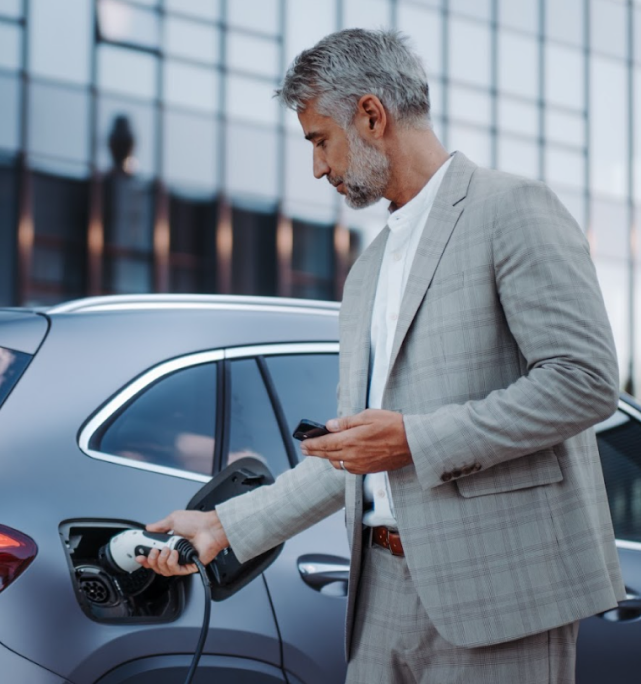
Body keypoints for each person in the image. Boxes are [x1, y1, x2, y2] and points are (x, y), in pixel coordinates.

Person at [138, 28, 625, 684]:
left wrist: (417, 441)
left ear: (371, 115)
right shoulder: (366, 272)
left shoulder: (513, 209)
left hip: (500, 594)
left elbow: (584, 381)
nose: (317, 167)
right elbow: (353, 452)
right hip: (379, 596)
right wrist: (222, 524)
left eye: (319, 140)